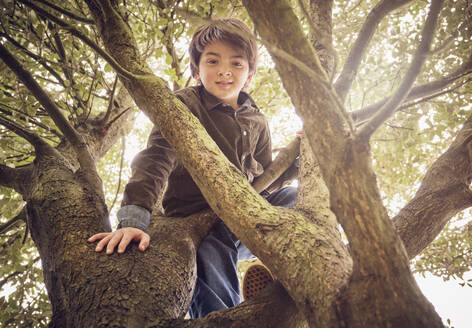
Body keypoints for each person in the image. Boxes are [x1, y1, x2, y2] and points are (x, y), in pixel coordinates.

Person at [88, 18, 298, 318]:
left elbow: (267, 177)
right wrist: (134, 219)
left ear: (249, 76)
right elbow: (156, 156)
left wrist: (299, 160)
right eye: (213, 61)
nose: (225, 70)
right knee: (209, 254)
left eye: (236, 64)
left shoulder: (257, 120)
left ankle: (283, 274)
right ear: (196, 70)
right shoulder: (185, 102)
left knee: (294, 198)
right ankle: (228, 317)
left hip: (247, 211)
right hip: (200, 217)